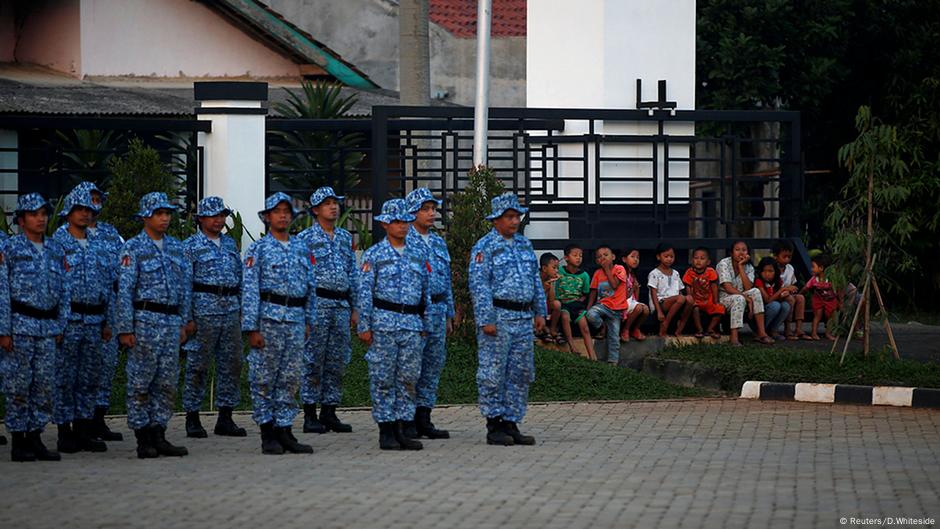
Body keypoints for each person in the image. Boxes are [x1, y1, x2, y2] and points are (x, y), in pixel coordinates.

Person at [116, 192, 192, 459]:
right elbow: (124, 290)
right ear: (146, 216)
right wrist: (125, 328)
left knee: (167, 381)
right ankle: (143, 436)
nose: (165, 218)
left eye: (167, 214)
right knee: (141, 381)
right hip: (145, 321)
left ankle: (159, 433)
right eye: (159, 213)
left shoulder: (175, 247)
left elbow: (184, 287)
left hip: (171, 322)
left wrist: (184, 322)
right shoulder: (133, 248)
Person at [242, 193, 318, 455]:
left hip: (296, 319)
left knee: (290, 378)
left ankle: (285, 429)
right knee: (264, 378)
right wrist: (251, 327)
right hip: (269, 319)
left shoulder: (301, 248)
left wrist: (310, 319)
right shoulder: (258, 249)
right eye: (277, 211)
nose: (283, 215)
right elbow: (250, 289)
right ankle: (268, 431)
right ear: (267, 217)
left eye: (287, 211)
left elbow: (311, 286)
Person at [469, 192, 547, 446]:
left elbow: (536, 280)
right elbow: (479, 285)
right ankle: (494, 424)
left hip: (523, 318)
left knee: (520, 372)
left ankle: (512, 422)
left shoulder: (525, 245)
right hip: (499, 318)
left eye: (517, 216)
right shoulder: (485, 247)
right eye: (509, 217)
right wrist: (485, 318)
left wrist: (539, 311)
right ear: (496, 220)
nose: (514, 222)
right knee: (493, 372)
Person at [356, 198, 431, 451]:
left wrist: (425, 322)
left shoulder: (418, 254)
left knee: (408, 378)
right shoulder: (374, 255)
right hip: (384, 323)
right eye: (397, 222)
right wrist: (364, 326)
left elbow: (425, 293)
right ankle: (386, 430)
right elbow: (364, 292)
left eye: (406, 221)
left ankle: (402, 427)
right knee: (383, 377)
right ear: (386, 224)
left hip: (411, 323)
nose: (403, 226)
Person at [0, 193, 69, 461]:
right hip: (20, 325)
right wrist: (4, 330)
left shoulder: (55, 249)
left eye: (43, 213)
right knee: (19, 385)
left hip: (47, 327)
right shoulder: (11, 250)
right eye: (33, 214)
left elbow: (64, 289)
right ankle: (19, 440)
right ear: (21, 219)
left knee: (44, 385)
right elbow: (3, 292)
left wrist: (60, 323)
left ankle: (36, 437)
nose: (40, 219)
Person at [52, 188, 112, 454]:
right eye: (81, 209)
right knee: (65, 377)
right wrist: (56, 323)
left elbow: (107, 284)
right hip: (70, 319)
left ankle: (83, 429)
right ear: (69, 212)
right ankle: (64, 432)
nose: (86, 214)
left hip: (95, 318)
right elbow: (52, 286)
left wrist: (108, 321)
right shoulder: (57, 243)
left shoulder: (98, 243)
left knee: (89, 377)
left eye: (89, 210)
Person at [181, 196, 246, 439]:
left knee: (232, 364)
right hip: (203, 311)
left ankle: (225, 417)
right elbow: (185, 284)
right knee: (198, 365)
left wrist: (242, 311)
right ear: (201, 219)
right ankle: (192, 416)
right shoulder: (190, 246)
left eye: (222, 216)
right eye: (214, 216)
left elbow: (239, 279)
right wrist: (187, 317)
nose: (219, 220)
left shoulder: (230, 244)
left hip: (230, 311)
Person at [297, 187, 357, 435]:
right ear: (315, 210)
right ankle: (310, 413)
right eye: (327, 203)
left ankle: (329, 411)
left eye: (336, 202)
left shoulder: (344, 237)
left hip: (341, 306)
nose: (333, 207)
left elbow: (352, 273)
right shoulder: (305, 239)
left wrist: (356, 308)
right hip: (317, 305)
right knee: (313, 360)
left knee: (337, 360)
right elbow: (300, 277)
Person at [69, 182, 125, 442]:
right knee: (73, 371)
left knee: (104, 366)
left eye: (97, 199)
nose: (93, 205)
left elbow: (121, 270)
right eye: (89, 200)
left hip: (107, 307)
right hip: (74, 314)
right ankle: (73, 425)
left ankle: (98, 420)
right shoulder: (64, 236)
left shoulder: (111, 234)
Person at [405, 187, 454, 439]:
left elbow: (446, 280)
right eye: (425, 209)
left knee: (433, 366)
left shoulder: (437, 241)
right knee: (411, 366)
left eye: (433, 209)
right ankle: (407, 418)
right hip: (414, 313)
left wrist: (449, 314)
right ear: (412, 212)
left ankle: (424, 417)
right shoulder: (405, 240)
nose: (431, 213)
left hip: (437, 309)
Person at [716, 240, 773, 345]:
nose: (741, 253)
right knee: (740, 298)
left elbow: (748, 288)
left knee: (755, 291)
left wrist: (741, 266)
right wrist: (747, 299)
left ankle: (761, 333)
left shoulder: (749, 267)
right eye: (737, 250)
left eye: (744, 250)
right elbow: (728, 288)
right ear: (732, 253)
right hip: (724, 299)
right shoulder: (723, 264)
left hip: (742, 296)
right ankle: (734, 338)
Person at [583, 245, 627, 364]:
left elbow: (614, 285)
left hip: (617, 308)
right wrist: (588, 308)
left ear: (613, 257)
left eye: (606, 255)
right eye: (599, 257)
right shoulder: (597, 273)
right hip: (603, 305)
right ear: (597, 261)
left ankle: (613, 362)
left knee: (614, 337)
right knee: (591, 315)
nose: (603, 258)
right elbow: (593, 291)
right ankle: (602, 327)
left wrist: (607, 269)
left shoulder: (620, 269)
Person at [552, 244, 591, 355]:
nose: (578, 258)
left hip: (577, 305)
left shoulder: (584, 276)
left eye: (580, 255)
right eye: (575, 255)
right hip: (563, 304)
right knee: (565, 317)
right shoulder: (559, 271)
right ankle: (572, 347)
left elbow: (585, 293)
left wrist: (580, 301)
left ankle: (592, 356)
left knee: (585, 327)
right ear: (566, 258)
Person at [647, 243, 692, 336]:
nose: (669, 259)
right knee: (681, 298)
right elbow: (653, 293)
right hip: (661, 303)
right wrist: (658, 311)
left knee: (690, 299)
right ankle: (665, 324)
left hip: (677, 302)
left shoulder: (675, 273)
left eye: (671, 256)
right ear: (658, 257)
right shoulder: (654, 273)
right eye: (666, 256)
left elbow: (680, 291)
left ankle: (680, 326)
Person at [681, 247, 725, 340]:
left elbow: (714, 286)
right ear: (692, 260)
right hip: (696, 301)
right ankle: (699, 330)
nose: (698, 261)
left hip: (708, 301)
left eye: (702, 258)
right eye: (696, 258)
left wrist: (716, 301)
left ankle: (711, 329)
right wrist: (691, 300)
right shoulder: (689, 272)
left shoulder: (710, 272)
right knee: (695, 309)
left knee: (720, 308)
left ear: (708, 262)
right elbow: (688, 287)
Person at [772, 239, 808, 340]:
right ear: (776, 256)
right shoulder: (772, 268)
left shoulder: (790, 268)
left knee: (800, 298)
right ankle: (787, 328)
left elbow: (793, 284)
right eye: (784, 257)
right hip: (777, 295)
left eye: (789, 257)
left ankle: (798, 328)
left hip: (788, 294)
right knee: (790, 299)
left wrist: (793, 290)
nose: (787, 259)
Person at [799, 253, 839, 341]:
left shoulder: (831, 279)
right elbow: (806, 287)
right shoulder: (814, 279)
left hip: (830, 300)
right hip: (818, 300)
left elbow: (838, 289)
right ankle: (814, 333)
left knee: (831, 317)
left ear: (821, 268)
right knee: (817, 315)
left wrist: (840, 301)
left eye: (813, 266)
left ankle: (828, 333)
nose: (811, 269)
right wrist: (800, 294)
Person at [755, 257, 792, 341]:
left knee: (786, 305)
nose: (767, 274)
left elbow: (779, 297)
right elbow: (767, 300)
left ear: (776, 272)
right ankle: (761, 331)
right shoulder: (759, 282)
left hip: (772, 311)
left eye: (770, 271)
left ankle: (773, 330)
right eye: (764, 271)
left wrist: (784, 294)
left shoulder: (778, 281)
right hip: (761, 314)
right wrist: (781, 290)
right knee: (775, 305)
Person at [619, 248, 649, 342]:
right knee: (639, 308)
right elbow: (624, 295)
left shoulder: (633, 274)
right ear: (624, 259)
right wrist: (633, 288)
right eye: (632, 256)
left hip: (631, 301)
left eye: (638, 257)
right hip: (622, 302)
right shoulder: (621, 272)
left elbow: (636, 297)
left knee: (646, 310)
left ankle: (635, 329)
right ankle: (625, 330)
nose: (636, 259)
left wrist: (636, 288)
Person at [537, 253, 563, 345]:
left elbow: (552, 300)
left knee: (557, 304)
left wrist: (552, 284)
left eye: (557, 268)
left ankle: (552, 329)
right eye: (554, 268)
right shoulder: (536, 278)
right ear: (544, 268)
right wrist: (544, 289)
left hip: (545, 305)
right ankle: (543, 329)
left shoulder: (550, 279)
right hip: (534, 308)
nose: (556, 271)